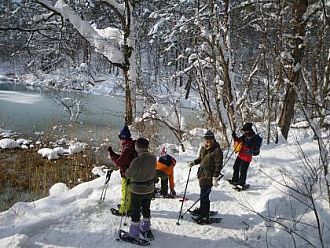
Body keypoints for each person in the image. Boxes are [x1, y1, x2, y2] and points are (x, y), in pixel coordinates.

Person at [125, 137, 157, 241]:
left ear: (138, 147)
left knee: (135, 210)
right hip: (149, 189)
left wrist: (126, 170)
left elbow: (129, 174)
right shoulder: (153, 158)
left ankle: (134, 233)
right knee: (146, 208)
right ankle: (146, 227)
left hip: (137, 190)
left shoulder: (137, 160)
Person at [188, 130, 223, 224]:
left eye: (210, 138)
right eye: (206, 138)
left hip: (209, 176)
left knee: (204, 196)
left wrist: (215, 176)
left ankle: (205, 216)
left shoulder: (217, 150)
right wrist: (193, 162)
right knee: (202, 194)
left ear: (213, 139)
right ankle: (202, 210)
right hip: (202, 175)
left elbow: (219, 164)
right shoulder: (203, 148)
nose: (208, 140)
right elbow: (200, 159)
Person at [108, 125, 137, 216]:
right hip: (133, 173)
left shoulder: (127, 148)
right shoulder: (131, 145)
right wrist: (113, 154)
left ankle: (123, 210)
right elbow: (123, 159)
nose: (120, 140)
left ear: (123, 137)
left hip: (127, 174)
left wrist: (111, 154)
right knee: (129, 192)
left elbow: (119, 162)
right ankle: (128, 206)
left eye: (120, 138)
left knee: (125, 192)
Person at [228, 122, 258, 190]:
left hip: (247, 157)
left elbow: (251, 146)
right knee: (235, 166)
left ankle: (241, 183)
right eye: (244, 130)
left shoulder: (253, 137)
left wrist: (246, 142)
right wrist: (234, 136)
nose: (244, 131)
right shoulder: (245, 135)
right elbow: (238, 140)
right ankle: (235, 180)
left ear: (249, 130)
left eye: (245, 130)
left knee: (243, 170)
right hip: (241, 154)